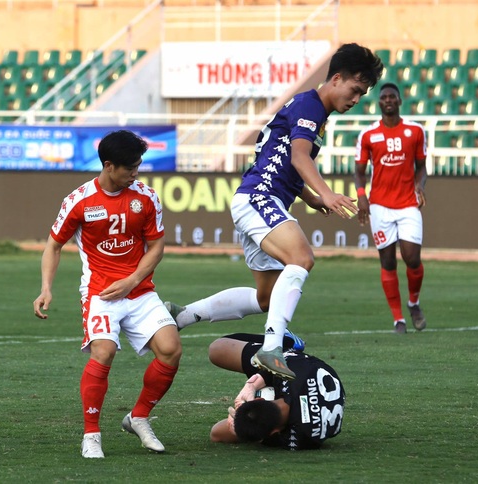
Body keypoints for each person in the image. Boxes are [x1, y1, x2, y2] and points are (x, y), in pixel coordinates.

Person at [165, 43, 384, 380]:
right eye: (355, 90)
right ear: (337, 78)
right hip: (259, 198)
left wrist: (309, 198)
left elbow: (278, 157)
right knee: (302, 259)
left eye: (362, 94)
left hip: (259, 198)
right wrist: (325, 194)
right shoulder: (311, 106)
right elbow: (298, 157)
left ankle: (183, 315)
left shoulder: (311, 110)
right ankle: (272, 347)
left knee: (266, 298)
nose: (356, 100)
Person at [32, 130, 181, 458]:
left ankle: (138, 417)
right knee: (104, 351)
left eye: (139, 166)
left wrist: (132, 280)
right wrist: (46, 288)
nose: (136, 173)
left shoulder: (146, 197)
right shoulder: (80, 200)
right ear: (109, 165)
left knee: (171, 350)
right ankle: (91, 435)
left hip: (139, 290)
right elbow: (53, 245)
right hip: (100, 293)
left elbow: (156, 247)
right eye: (130, 168)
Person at [354, 82, 428, 334]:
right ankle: (398, 319)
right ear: (379, 103)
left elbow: (422, 167)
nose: (388, 100)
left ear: (399, 101)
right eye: (383, 97)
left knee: (412, 257)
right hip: (380, 207)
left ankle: (414, 303)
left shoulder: (415, 131)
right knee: (387, 262)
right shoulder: (368, 135)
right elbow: (359, 172)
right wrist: (361, 196)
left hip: (408, 204)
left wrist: (420, 186)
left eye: (392, 97)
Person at [208, 333, 344, 450]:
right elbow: (275, 361)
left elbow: (216, 434)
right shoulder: (298, 438)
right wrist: (252, 386)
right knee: (218, 349)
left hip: (303, 382)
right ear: (259, 399)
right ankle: (287, 341)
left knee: (222, 433)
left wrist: (238, 426)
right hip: (296, 364)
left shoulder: (300, 438)